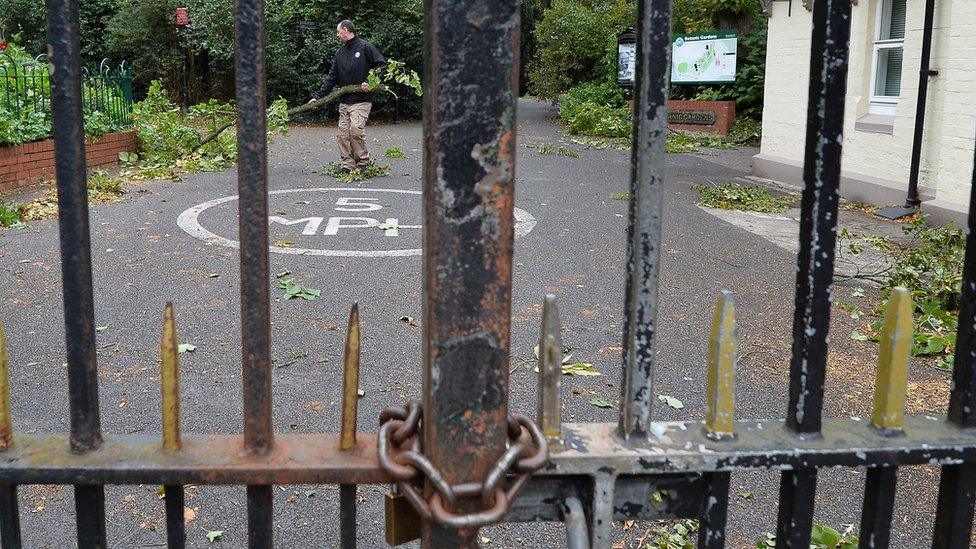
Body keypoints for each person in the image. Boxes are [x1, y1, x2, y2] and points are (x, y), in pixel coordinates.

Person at [309, 20, 387, 173]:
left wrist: (369, 81)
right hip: (345, 102)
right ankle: (348, 164)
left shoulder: (365, 47)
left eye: (338, 31)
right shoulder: (340, 53)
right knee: (342, 135)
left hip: (362, 101)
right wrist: (317, 97)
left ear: (345, 30)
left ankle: (363, 162)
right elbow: (332, 77)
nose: (337, 34)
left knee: (356, 130)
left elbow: (381, 65)